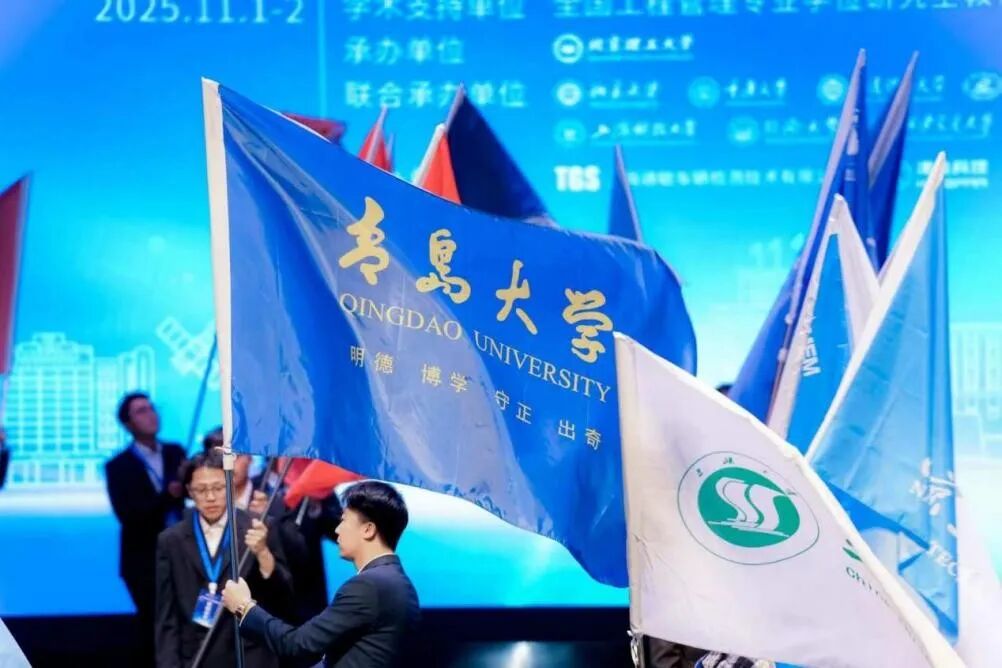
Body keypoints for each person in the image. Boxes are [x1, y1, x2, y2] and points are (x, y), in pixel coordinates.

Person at [222, 481, 420, 667]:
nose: (337, 529)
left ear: (368, 530)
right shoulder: (399, 583)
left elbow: (298, 645)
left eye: (344, 520)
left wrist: (244, 607)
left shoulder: (367, 586)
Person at [155, 451, 294, 668]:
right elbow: (167, 617)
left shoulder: (258, 527)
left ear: (231, 486)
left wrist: (263, 553)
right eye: (201, 490)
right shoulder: (171, 540)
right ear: (190, 491)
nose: (210, 497)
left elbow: (284, 597)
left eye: (218, 488)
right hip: (198, 657)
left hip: (251, 656)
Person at [105, 392, 187, 665]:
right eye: (141, 411)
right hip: (143, 560)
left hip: (183, 554)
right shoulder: (118, 466)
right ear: (127, 423)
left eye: (151, 408)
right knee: (155, 627)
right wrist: (167, 496)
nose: (150, 414)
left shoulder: (176, 453)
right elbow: (128, 515)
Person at [202, 426, 255, 511]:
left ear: (250, 457)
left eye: (235, 456)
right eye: (220, 457)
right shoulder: (198, 508)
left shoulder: (271, 503)